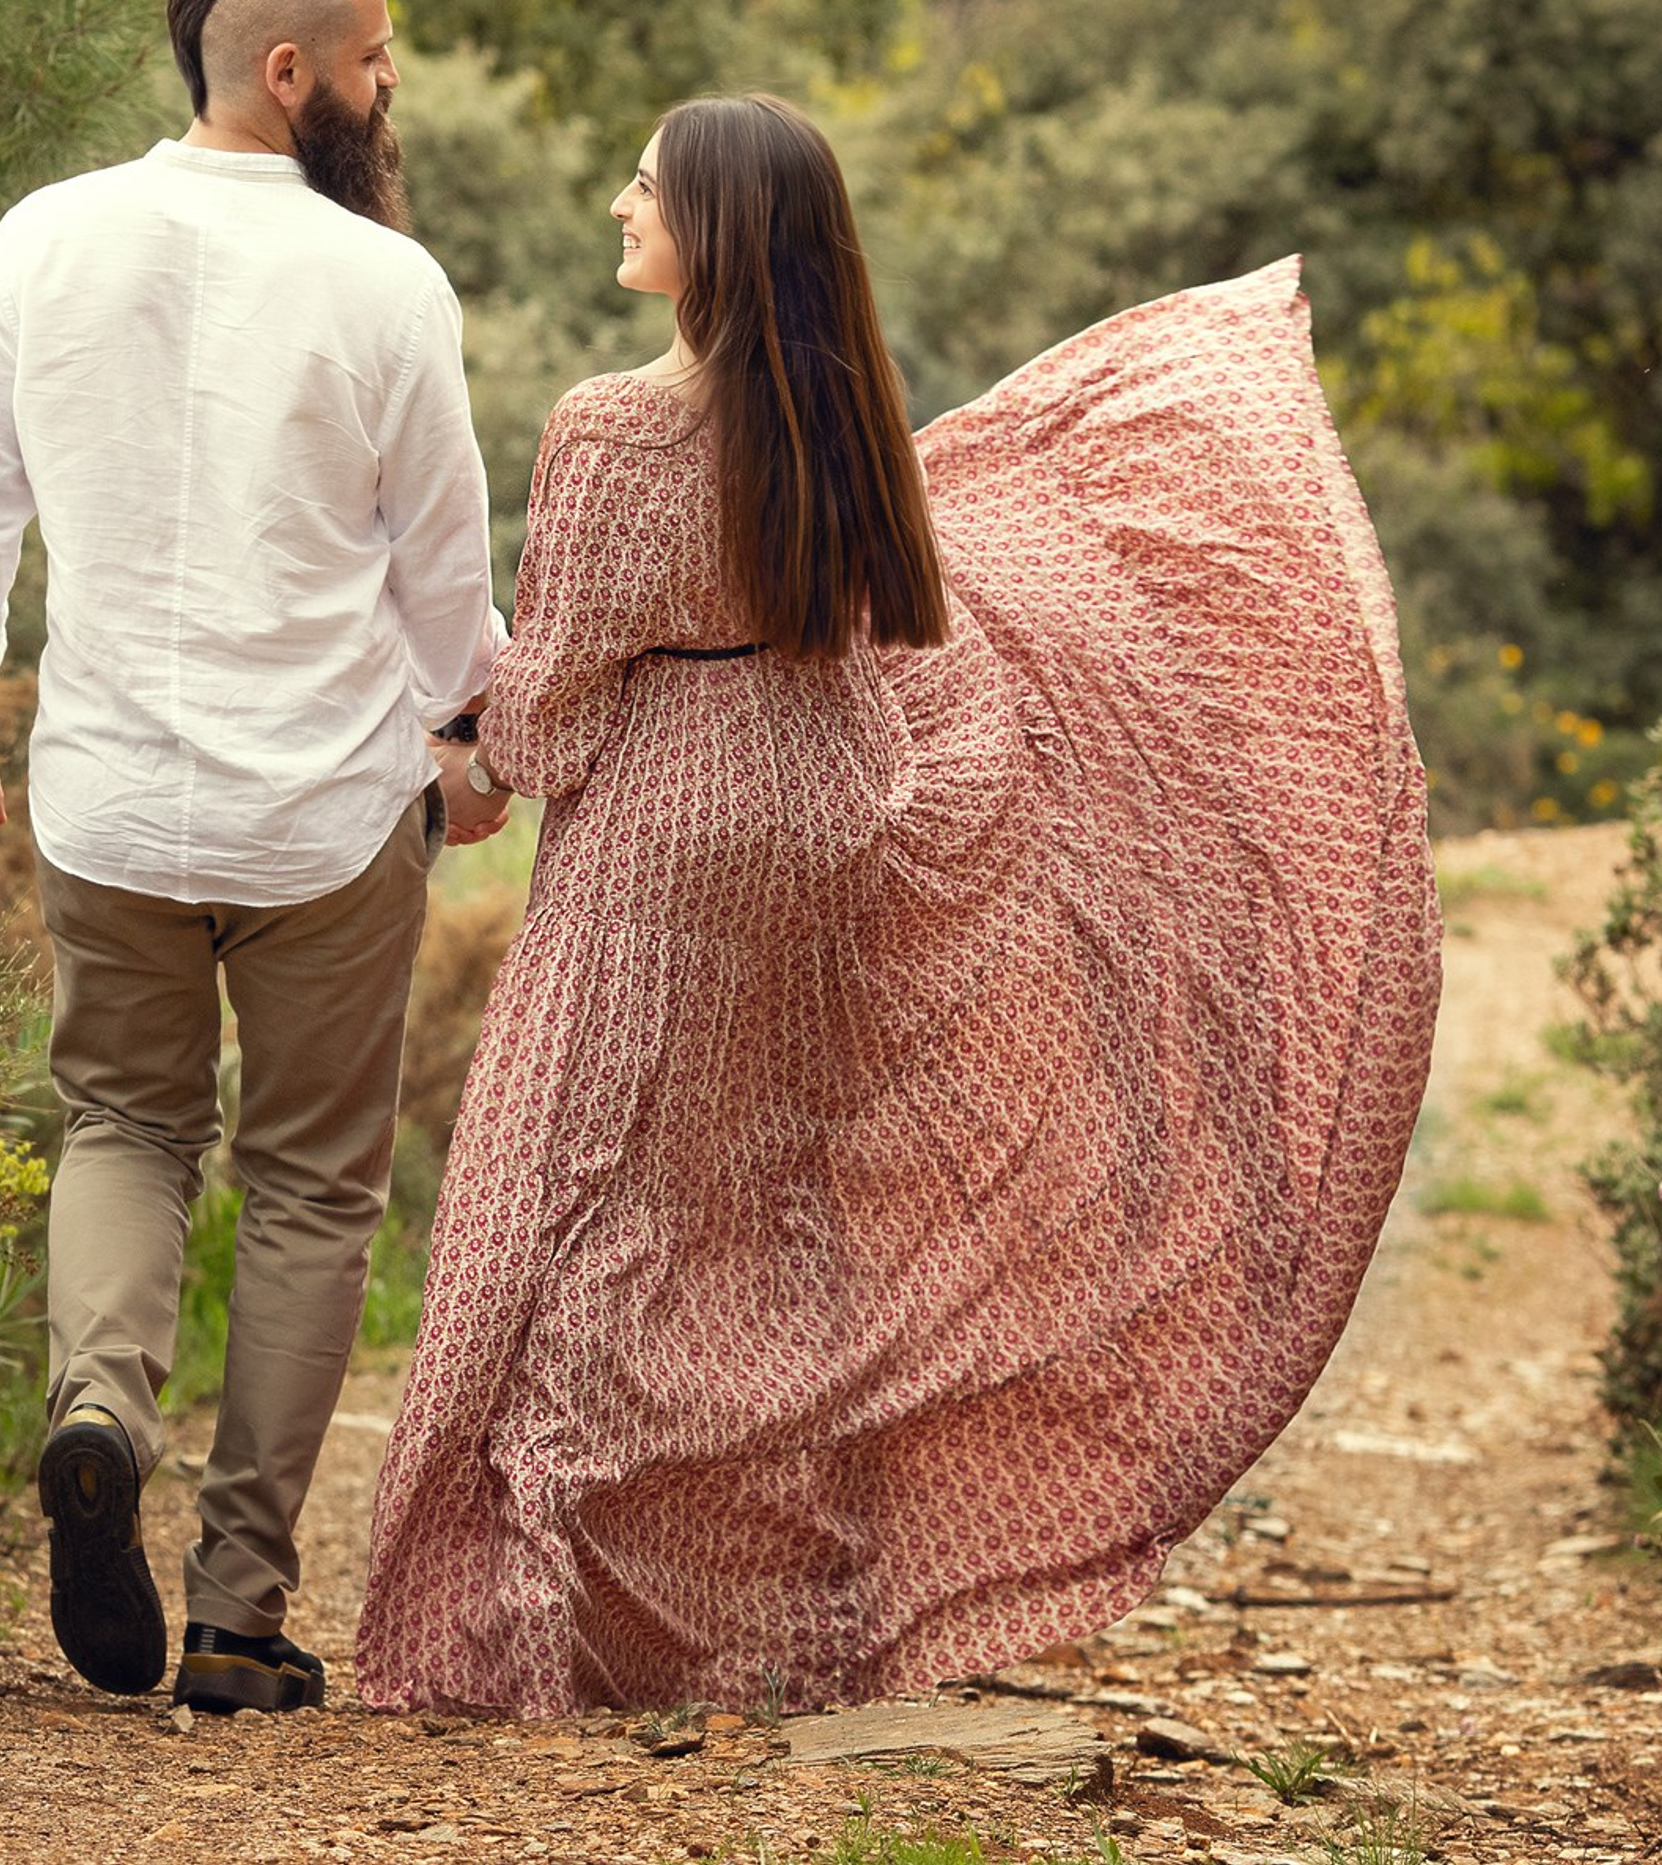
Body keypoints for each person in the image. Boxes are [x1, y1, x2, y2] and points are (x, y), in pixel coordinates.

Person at [355, 93, 1441, 1717]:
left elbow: (565, 691)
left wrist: (477, 750)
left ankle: (528, 1613)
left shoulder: (611, 424)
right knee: (770, 1199)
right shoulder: (842, 409)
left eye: (641, 185)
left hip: (676, 825)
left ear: (712, 229)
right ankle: (780, 1616)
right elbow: (883, 628)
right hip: (826, 808)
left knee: (569, 1180)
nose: (614, 203)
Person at [0, 0, 510, 1715]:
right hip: (324, 816)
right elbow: (443, 572)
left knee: (123, 1127)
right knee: (313, 1188)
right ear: (292, 72)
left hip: (108, 798)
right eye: (378, 61)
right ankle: (239, 1615)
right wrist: (471, 740)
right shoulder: (387, 285)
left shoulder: (45, 237)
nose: (393, 90)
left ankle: (98, 1403)